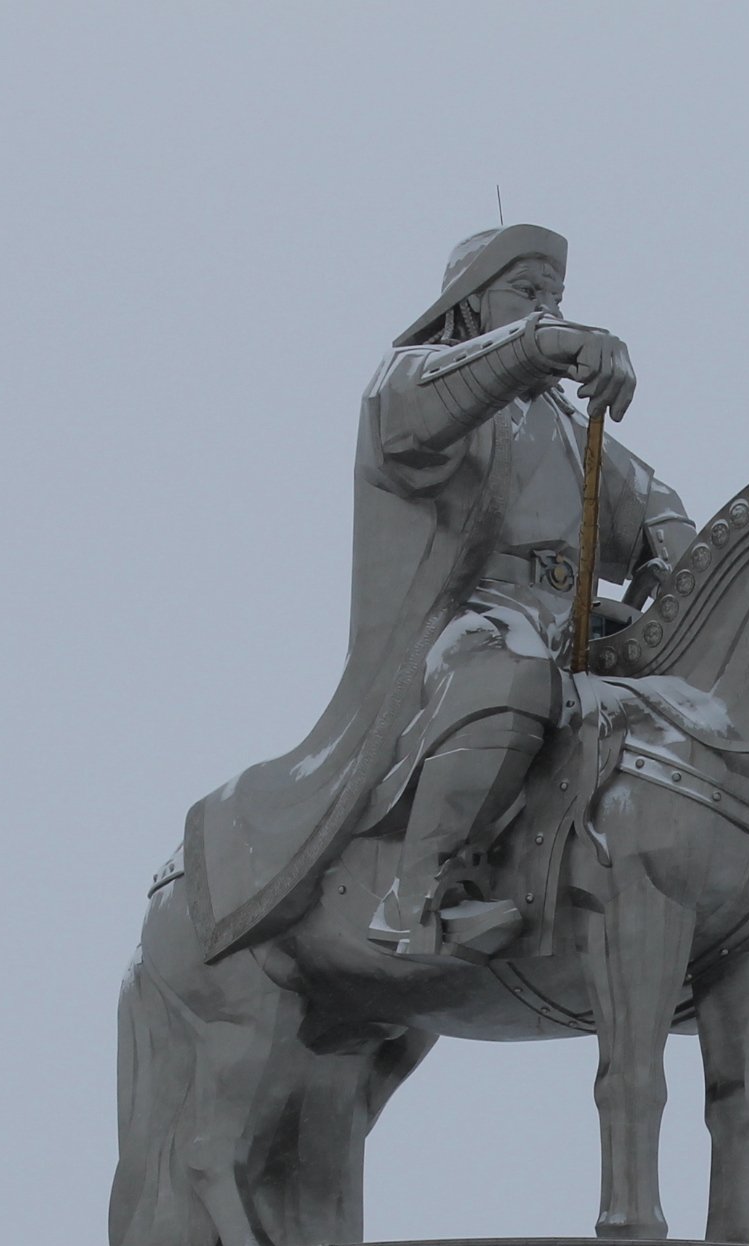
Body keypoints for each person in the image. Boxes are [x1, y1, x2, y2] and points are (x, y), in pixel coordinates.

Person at [177, 225, 693, 963]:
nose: (546, 308)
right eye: (527, 292)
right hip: (467, 621)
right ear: (470, 304)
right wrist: (546, 342)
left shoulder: (564, 425)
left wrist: (670, 568)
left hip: (569, 627)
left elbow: (651, 503)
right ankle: (418, 892)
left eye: (555, 298)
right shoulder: (410, 382)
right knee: (507, 680)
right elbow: (435, 408)